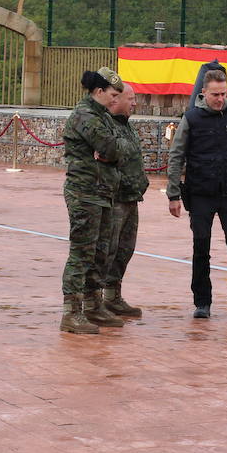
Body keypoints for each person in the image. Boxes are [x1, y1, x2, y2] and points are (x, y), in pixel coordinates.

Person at [165, 66, 227, 320]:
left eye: (223, 94)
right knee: (201, 248)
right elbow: (176, 156)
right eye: (215, 95)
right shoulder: (192, 118)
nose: (220, 99)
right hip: (200, 194)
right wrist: (173, 194)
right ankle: (202, 302)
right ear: (204, 93)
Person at [60, 67, 125, 334]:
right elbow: (112, 147)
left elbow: (122, 147)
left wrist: (113, 150)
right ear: (98, 92)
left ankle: (93, 305)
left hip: (102, 192)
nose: (115, 100)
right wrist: (111, 150)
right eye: (112, 94)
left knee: (101, 252)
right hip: (85, 193)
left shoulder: (102, 116)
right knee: (82, 253)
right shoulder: (86, 116)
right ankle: (71, 312)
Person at [104, 83, 149, 317]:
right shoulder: (105, 126)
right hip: (114, 199)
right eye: (130, 99)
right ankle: (94, 302)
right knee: (107, 249)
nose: (134, 103)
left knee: (125, 249)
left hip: (131, 197)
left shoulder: (126, 126)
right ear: (116, 99)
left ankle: (113, 297)